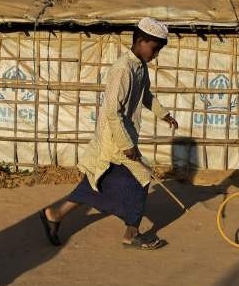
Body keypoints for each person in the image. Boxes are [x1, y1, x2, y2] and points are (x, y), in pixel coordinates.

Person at [39, 17, 179, 250]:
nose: (155, 55)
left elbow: (145, 95)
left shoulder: (140, 67)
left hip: (122, 139)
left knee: (96, 183)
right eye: (154, 49)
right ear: (141, 41)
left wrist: (163, 114)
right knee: (142, 178)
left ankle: (54, 214)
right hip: (114, 140)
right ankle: (131, 234)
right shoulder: (123, 69)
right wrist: (127, 144)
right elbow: (113, 111)